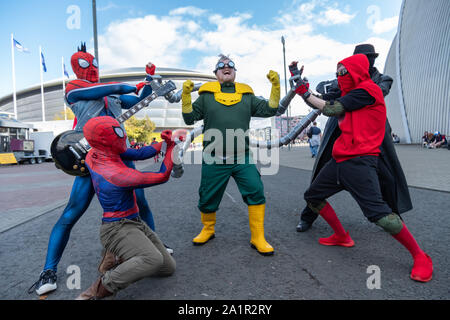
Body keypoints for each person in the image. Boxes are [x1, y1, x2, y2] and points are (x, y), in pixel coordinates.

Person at [28, 43, 163, 296]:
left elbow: (137, 99)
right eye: (84, 63)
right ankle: (48, 270)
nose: (91, 68)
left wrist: (148, 81)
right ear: (75, 66)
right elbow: (112, 88)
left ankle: (154, 245)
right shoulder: (74, 88)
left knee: (141, 203)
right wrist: (126, 86)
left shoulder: (110, 95)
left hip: (120, 154)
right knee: (72, 212)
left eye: (93, 63)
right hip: (91, 158)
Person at [294, 53, 433, 282]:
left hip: (361, 162)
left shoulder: (369, 90)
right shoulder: (349, 92)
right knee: (313, 196)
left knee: (380, 216)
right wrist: (300, 82)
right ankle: (341, 236)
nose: (339, 77)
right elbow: (323, 98)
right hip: (338, 161)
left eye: (342, 72)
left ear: (357, 71)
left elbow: (331, 108)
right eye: (337, 72)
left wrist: (305, 92)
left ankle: (420, 256)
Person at [296, 44, 412, 233]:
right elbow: (324, 97)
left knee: (387, 177)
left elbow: (371, 94)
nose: (366, 61)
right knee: (320, 176)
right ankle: (307, 216)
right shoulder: (343, 78)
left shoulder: (381, 80)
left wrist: (348, 86)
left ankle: (392, 216)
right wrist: (304, 89)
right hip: (341, 131)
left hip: (372, 132)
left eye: (369, 57)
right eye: (362, 58)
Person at [181, 54, 280, 255]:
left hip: (242, 156)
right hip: (213, 156)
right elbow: (189, 118)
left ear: (235, 72)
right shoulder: (206, 96)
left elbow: (270, 110)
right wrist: (186, 96)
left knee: (255, 190)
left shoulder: (247, 96)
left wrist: (275, 87)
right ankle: (208, 229)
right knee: (208, 196)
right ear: (215, 74)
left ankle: (258, 236)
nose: (226, 68)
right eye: (221, 66)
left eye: (230, 65)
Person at [76, 117, 176, 299]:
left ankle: (117, 257)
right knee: (153, 260)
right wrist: (171, 149)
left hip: (133, 221)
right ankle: (96, 290)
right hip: (116, 228)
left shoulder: (97, 152)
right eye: (119, 132)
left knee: (167, 267)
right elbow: (162, 175)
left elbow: (139, 153)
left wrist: (166, 142)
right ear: (106, 140)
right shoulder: (117, 174)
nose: (124, 136)